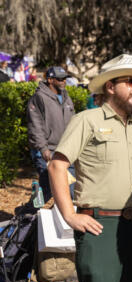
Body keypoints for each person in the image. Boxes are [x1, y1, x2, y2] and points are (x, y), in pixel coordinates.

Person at [47, 54, 132, 282]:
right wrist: (70, 215)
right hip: (100, 229)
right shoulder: (87, 120)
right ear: (110, 86)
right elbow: (57, 165)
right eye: (131, 81)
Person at [27, 66, 75, 202]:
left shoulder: (66, 97)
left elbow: (73, 121)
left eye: (65, 78)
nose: (64, 81)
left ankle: (63, 220)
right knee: (46, 191)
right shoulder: (39, 98)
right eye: (60, 79)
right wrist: (43, 148)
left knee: (71, 191)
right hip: (47, 152)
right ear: (50, 80)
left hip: (65, 151)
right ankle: (25, 215)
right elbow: (35, 126)